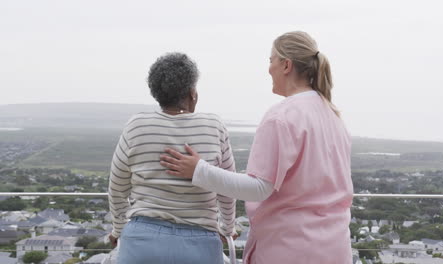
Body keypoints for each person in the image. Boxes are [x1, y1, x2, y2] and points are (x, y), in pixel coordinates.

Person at [160, 31, 354, 264]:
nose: (268, 68)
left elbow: (259, 188)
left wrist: (198, 170)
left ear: (286, 65)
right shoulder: (332, 115)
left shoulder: (282, 116)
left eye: (271, 60)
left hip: (289, 249)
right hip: (335, 249)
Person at [108, 52, 237, 264]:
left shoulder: (136, 126)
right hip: (200, 243)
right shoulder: (214, 126)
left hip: (141, 242)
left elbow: (117, 189)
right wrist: (227, 228)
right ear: (192, 93)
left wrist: (119, 230)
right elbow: (227, 187)